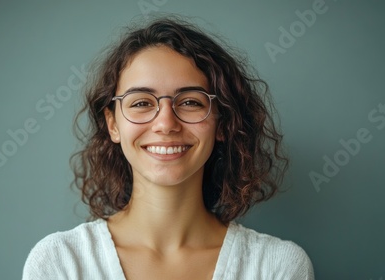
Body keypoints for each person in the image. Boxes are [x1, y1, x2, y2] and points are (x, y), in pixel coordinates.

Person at [22, 16, 314, 280]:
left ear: (222, 123)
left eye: (190, 102)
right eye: (141, 103)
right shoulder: (59, 263)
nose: (166, 123)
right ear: (113, 124)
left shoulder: (278, 268)